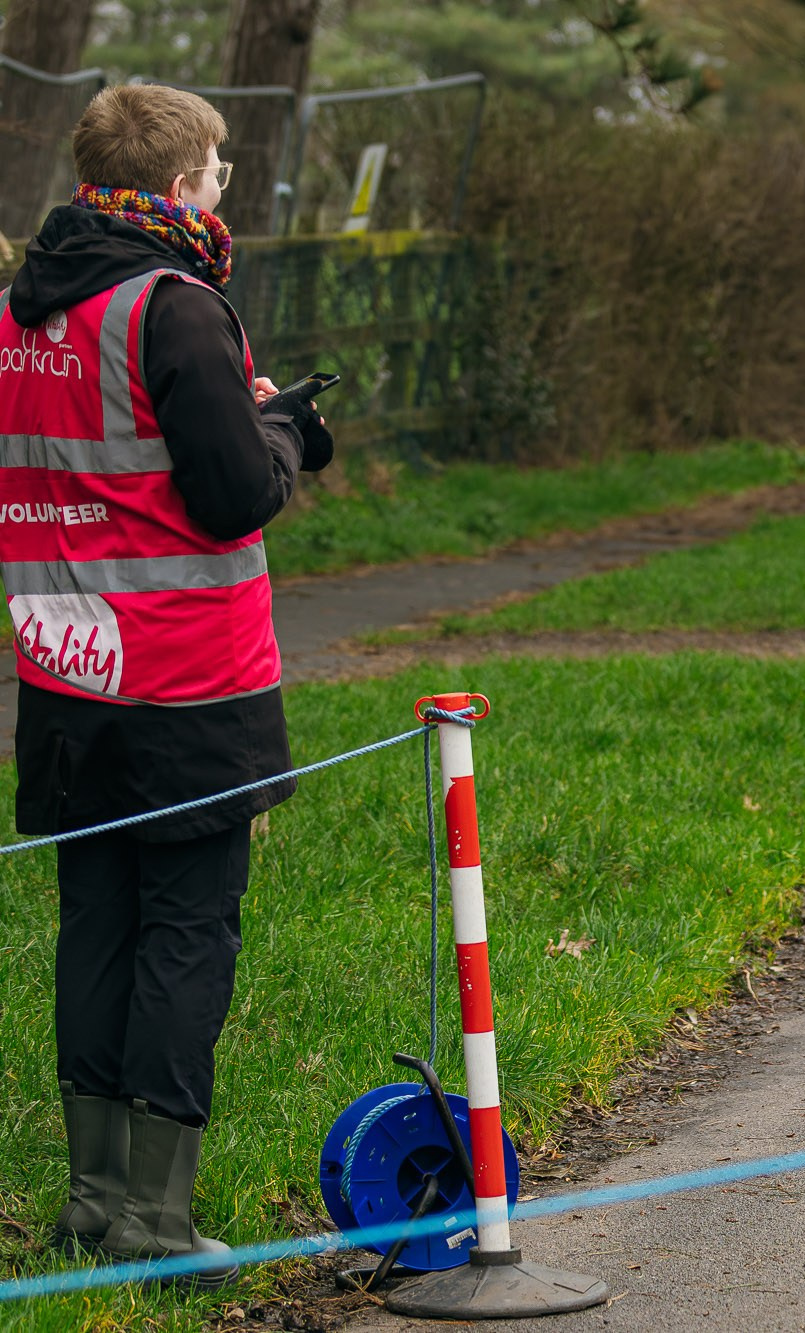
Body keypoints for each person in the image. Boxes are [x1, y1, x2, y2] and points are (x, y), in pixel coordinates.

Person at [0, 85, 333, 1285]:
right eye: (221, 172)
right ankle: (157, 1214)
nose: (221, 190)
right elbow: (233, 494)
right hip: (190, 683)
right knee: (187, 932)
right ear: (185, 181)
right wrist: (288, 434)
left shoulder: (16, 315)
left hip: (63, 672)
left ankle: (92, 1199)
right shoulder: (177, 307)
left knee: (95, 920)